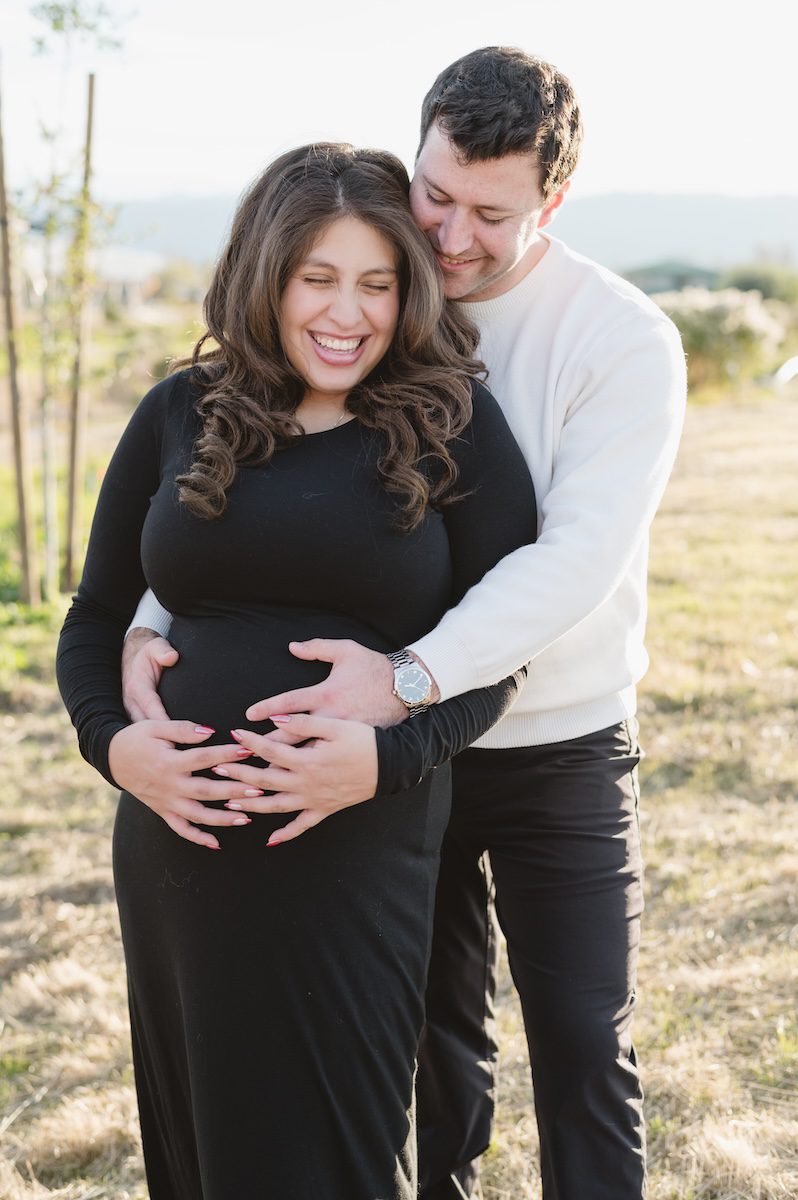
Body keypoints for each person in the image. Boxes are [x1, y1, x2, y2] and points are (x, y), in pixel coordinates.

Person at [124, 47, 688, 1200]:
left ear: (553, 201)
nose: (453, 234)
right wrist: (152, 610)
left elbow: (571, 560)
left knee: (582, 1037)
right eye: (436, 194)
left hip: (553, 747)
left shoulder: (621, 341)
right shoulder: (386, 295)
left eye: (493, 213)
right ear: (416, 152)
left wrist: (413, 682)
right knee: (431, 1047)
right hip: (387, 758)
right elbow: (262, 482)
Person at [56, 141, 539, 1200]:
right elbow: (94, 618)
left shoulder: (454, 424)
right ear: (265, 278)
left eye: (377, 283)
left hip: (356, 847)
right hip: (174, 853)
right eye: (317, 278)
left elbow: (499, 654)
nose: (348, 312)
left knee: (340, 1151)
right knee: (200, 1147)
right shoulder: (181, 410)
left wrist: (382, 760)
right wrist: (118, 747)